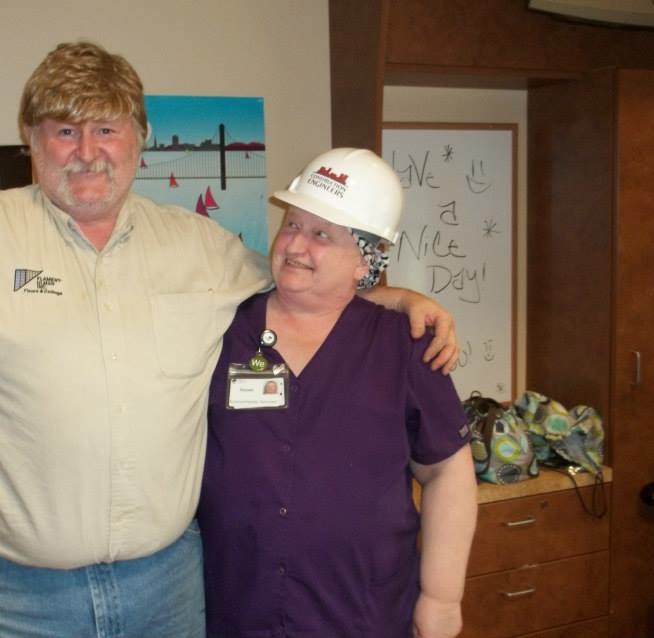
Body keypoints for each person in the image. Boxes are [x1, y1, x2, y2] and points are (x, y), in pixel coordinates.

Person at [0, 42, 459, 637]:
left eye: (107, 129)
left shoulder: (201, 248)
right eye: (64, 130)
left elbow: (304, 281)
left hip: (169, 586)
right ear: (31, 139)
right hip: (21, 597)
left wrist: (397, 299)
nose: (87, 151)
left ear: (140, 141)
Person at [198, 148, 478, 638]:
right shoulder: (222, 328)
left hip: (363, 612)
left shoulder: (405, 343)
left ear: (366, 260)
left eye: (322, 235)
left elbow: (447, 473)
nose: (295, 245)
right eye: (292, 225)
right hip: (238, 609)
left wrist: (441, 596)